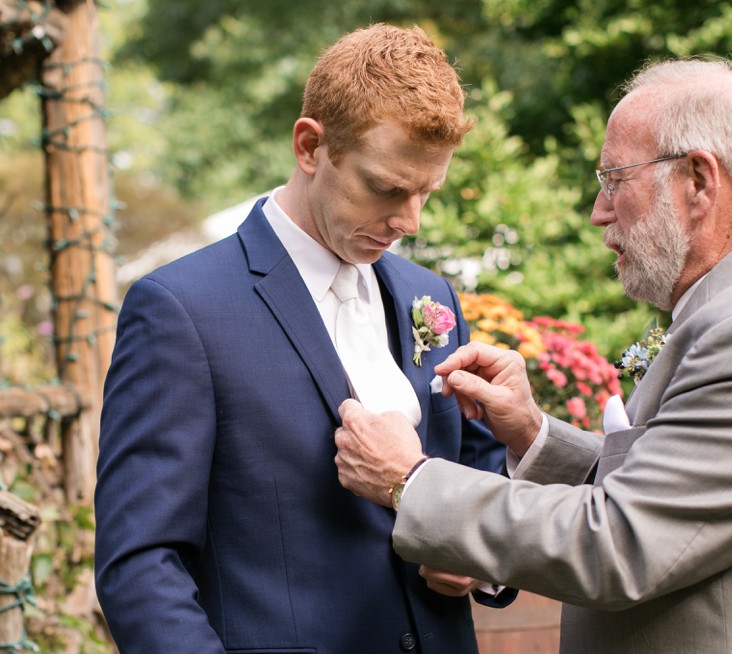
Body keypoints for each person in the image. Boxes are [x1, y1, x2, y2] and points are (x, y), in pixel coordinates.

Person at [334, 58, 732, 653]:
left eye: (614, 180)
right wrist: (534, 437)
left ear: (699, 181)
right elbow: (678, 500)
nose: (599, 212)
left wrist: (412, 480)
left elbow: (620, 545)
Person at [95, 23, 512, 654]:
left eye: (427, 191)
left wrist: (482, 563)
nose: (409, 221)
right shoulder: (181, 309)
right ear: (311, 146)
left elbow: (476, 475)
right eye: (386, 188)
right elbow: (141, 566)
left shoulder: (433, 296)